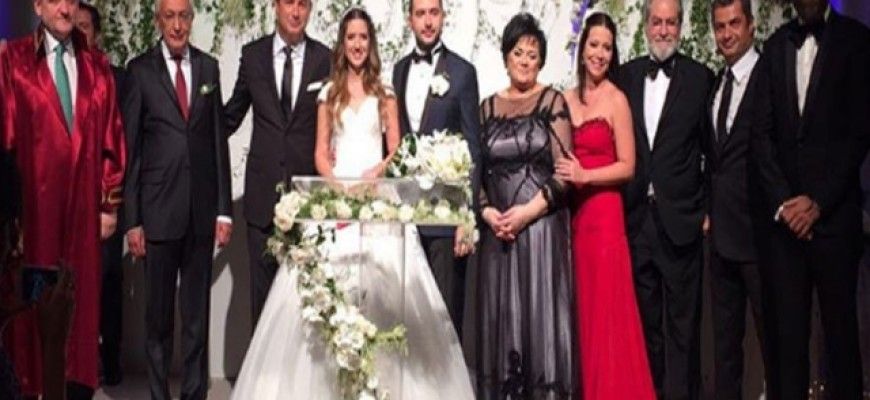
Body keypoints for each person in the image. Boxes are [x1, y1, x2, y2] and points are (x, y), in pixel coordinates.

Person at [230, 8, 473, 399]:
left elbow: (396, 150)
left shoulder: (385, 92)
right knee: (327, 297)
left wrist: (375, 175)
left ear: (370, 43)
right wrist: (338, 187)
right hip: (338, 202)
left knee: (384, 295)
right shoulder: (329, 92)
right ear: (342, 44)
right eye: (351, 38)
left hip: (377, 202)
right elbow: (320, 152)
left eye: (363, 37)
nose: (357, 44)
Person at [0, 0, 127, 397]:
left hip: (82, 214)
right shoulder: (15, 61)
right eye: (55, 0)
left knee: (80, 308)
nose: (65, 8)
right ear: (38, 7)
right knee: (35, 310)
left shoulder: (96, 67)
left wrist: (108, 203)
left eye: (71, 0)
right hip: (34, 216)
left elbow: (112, 138)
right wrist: (10, 216)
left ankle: (76, 387)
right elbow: (6, 142)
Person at [749, 0, 870, 397]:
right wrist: (785, 205)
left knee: (841, 342)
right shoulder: (775, 46)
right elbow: (761, 136)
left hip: (834, 222)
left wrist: (818, 202)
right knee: (788, 348)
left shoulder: (857, 41)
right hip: (786, 230)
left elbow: (859, 133)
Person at [463, 13, 577, 400]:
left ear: (541, 60)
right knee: (502, 322)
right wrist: (486, 212)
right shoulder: (486, 109)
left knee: (539, 321)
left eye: (532, 54)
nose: (525, 61)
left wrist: (528, 213)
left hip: (541, 231)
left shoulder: (553, 102)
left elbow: (564, 174)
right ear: (505, 56)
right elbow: (473, 172)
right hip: (498, 235)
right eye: (518, 53)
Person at [122, 0, 232, 398]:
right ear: (158, 21)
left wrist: (224, 211)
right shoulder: (139, 71)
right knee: (158, 321)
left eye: (183, 16)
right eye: (169, 17)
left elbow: (218, 142)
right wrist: (133, 220)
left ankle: (194, 394)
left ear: (192, 19)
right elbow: (132, 152)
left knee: (196, 320)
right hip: (157, 214)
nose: (177, 25)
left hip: (200, 214)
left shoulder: (208, 68)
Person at [615, 0, 714, 398]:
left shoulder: (701, 79)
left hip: (682, 224)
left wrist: (706, 209)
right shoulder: (625, 76)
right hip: (637, 222)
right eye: (656, 22)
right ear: (645, 26)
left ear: (681, 26)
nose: (663, 30)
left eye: (671, 23)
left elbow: (715, 152)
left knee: (685, 333)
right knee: (644, 332)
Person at [554, 12, 655, 400]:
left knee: (608, 316)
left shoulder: (617, 99)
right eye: (594, 45)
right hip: (574, 218)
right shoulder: (564, 99)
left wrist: (586, 176)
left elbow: (628, 166)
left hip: (606, 218)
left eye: (607, 48)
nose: (599, 53)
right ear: (582, 49)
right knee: (580, 313)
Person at [224, 0, 332, 331]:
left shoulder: (325, 59)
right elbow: (232, 114)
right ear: (275, 6)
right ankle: (263, 367)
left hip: (307, 200)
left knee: (306, 300)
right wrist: (192, 131)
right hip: (262, 200)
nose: (295, 12)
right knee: (263, 301)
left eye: (303, 4)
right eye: (289, 2)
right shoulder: (253, 55)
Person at [391, 0, 481, 333]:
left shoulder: (462, 72)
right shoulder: (399, 70)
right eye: (420, 14)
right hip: (407, 219)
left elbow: (473, 148)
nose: (428, 22)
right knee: (410, 322)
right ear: (410, 20)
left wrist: (466, 218)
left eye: (434, 13)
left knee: (445, 322)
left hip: (445, 219)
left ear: (443, 16)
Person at [705, 0, 766, 398]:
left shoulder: (769, 76)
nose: (727, 34)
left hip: (763, 238)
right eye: (720, 26)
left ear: (751, 25)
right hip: (722, 239)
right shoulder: (716, 84)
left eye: (734, 24)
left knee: (775, 343)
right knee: (725, 351)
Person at [75, 1, 128, 386]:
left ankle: (109, 358)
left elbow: (122, 141)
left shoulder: (115, 78)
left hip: (106, 197)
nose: (78, 32)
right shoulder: (55, 73)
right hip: (67, 199)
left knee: (108, 280)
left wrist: (113, 200)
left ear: (96, 33)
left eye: (85, 27)